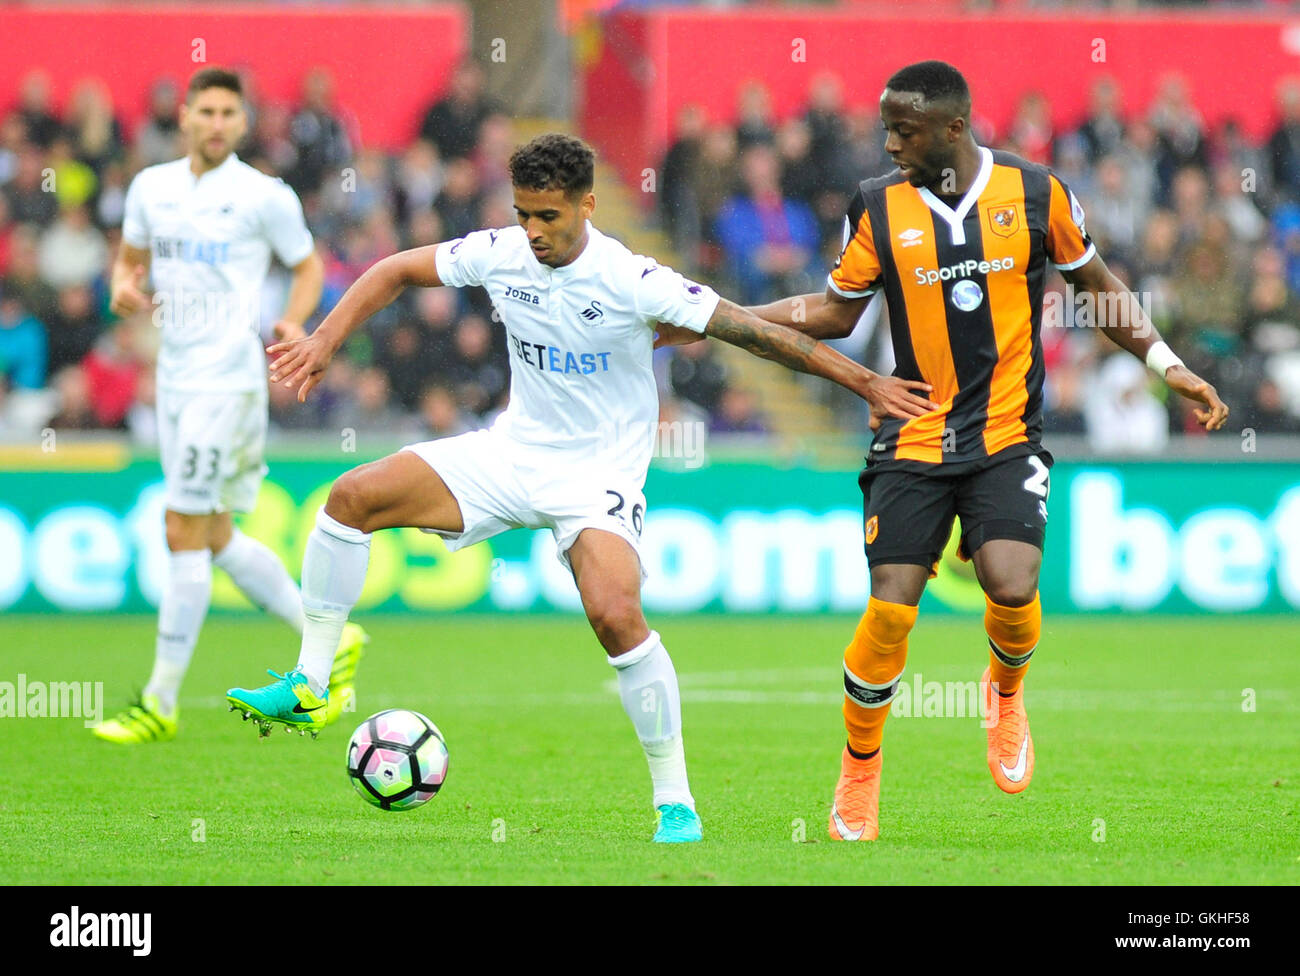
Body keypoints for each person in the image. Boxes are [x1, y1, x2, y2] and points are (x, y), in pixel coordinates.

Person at [225, 133, 927, 843]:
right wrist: (324, 339)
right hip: (512, 453)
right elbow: (396, 271)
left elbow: (750, 332)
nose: (532, 231)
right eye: (523, 213)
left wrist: (865, 380)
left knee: (616, 615)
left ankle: (675, 803)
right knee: (350, 499)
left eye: (548, 217)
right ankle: (313, 683)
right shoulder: (501, 251)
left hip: (597, 478)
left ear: (588, 205)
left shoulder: (632, 279)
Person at [708, 61, 1228, 841]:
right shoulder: (878, 207)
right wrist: (724, 315)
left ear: (954, 128)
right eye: (886, 126)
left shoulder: (1036, 193)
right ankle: (858, 775)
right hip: (911, 433)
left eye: (903, 130)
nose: (888, 142)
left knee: (1011, 585)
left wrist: (1168, 363)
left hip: (1005, 433)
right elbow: (832, 310)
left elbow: (1101, 287)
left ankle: (1006, 692)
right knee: (890, 609)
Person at [91, 67, 366, 745]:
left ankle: (159, 701)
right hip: (176, 381)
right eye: (205, 111)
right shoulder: (151, 188)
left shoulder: (263, 195)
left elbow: (307, 267)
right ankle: (331, 634)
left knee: (180, 528)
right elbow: (126, 262)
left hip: (230, 381)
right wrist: (123, 289)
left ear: (243, 124)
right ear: (183, 116)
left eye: (228, 113)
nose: (216, 123)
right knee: (211, 534)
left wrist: (298, 322)